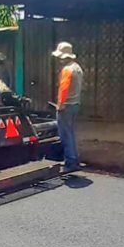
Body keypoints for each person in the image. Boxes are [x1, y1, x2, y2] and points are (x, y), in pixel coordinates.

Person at [52, 42, 83, 172]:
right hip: (75, 104)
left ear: (64, 57)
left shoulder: (67, 70)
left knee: (65, 134)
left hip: (66, 105)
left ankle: (70, 162)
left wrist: (60, 105)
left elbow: (63, 89)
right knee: (70, 133)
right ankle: (74, 159)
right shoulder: (77, 68)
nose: (59, 60)